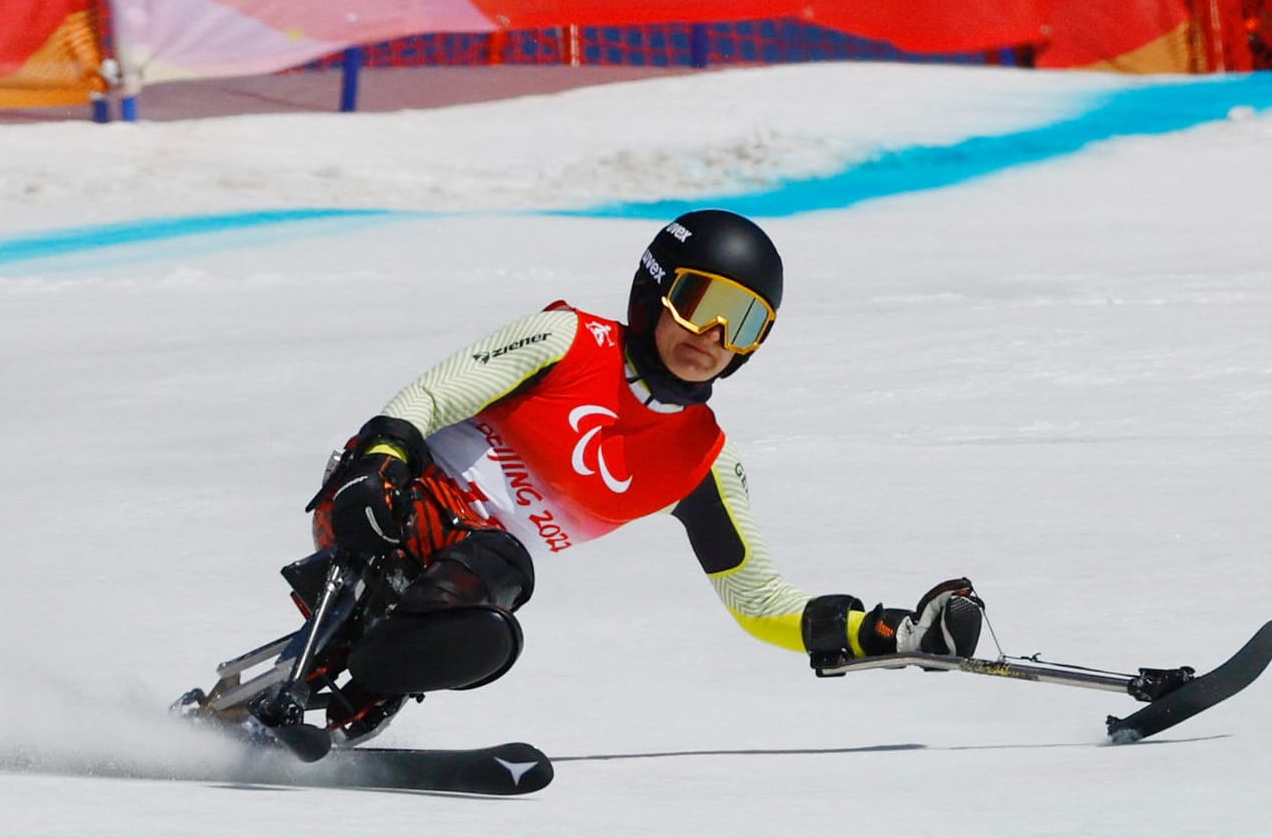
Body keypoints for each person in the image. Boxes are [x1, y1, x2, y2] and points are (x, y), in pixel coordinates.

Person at [305, 208, 982, 733]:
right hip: (384, 506)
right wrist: (382, 459)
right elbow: (428, 398)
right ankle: (368, 671)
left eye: (741, 321)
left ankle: (341, 685)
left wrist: (884, 633)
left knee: (493, 612)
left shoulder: (702, 459)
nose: (711, 337)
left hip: (464, 583)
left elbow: (759, 601)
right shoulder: (568, 342)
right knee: (502, 563)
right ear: (655, 293)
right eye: (698, 303)